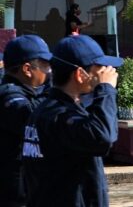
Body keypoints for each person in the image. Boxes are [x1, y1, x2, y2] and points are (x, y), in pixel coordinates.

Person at [22, 35, 122, 207]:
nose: (108, 72)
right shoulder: (57, 115)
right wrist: (105, 90)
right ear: (79, 74)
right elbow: (103, 137)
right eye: (100, 68)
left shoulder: (47, 109)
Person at [0, 36, 52, 207]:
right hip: (13, 198)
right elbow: (30, 116)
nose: (49, 70)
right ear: (27, 69)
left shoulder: (30, 94)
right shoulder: (9, 96)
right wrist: (58, 87)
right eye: (45, 65)